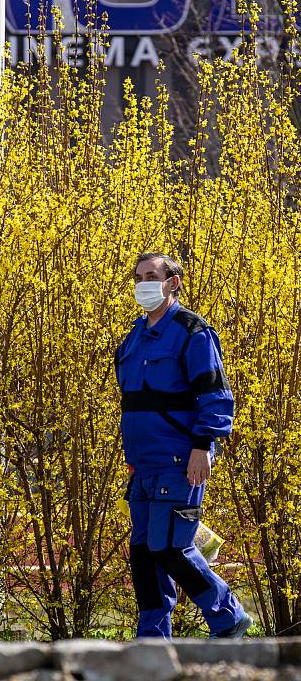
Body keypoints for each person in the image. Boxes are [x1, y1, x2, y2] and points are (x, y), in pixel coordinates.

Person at [114, 252, 253, 640]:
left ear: (173, 282)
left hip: (181, 458)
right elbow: (134, 401)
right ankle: (153, 637)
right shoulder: (133, 337)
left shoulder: (193, 332)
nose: (143, 283)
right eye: (138, 276)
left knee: (171, 547)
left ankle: (228, 617)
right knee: (143, 552)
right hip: (143, 464)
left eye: (152, 275)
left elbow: (215, 395)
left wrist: (202, 445)